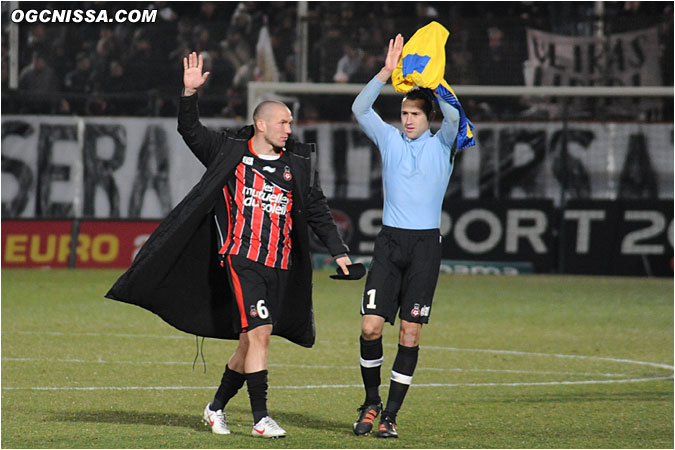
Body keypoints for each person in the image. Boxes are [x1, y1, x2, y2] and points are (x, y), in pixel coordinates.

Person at [106, 52, 351, 438]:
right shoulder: (230, 153)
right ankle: (260, 418)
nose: (289, 128)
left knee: (249, 342)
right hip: (242, 259)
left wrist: (340, 253)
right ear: (261, 124)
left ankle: (215, 407)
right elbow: (191, 132)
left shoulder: (297, 165)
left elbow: (317, 209)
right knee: (261, 334)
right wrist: (188, 94)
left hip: (280, 263)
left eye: (290, 122)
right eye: (283, 122)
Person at [350, 34, 460, 439]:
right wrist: (383, 73)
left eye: (415, 113)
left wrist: (432, 81)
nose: (408, 119)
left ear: (427, 116)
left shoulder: (444, 142)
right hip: (391, 242)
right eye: (404, 112)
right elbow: (360, 107)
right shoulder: (390, 140)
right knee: (370, 327)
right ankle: (371, 402)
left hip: (425, 247)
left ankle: (391, 416)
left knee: (410, 333)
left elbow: (454, 118)